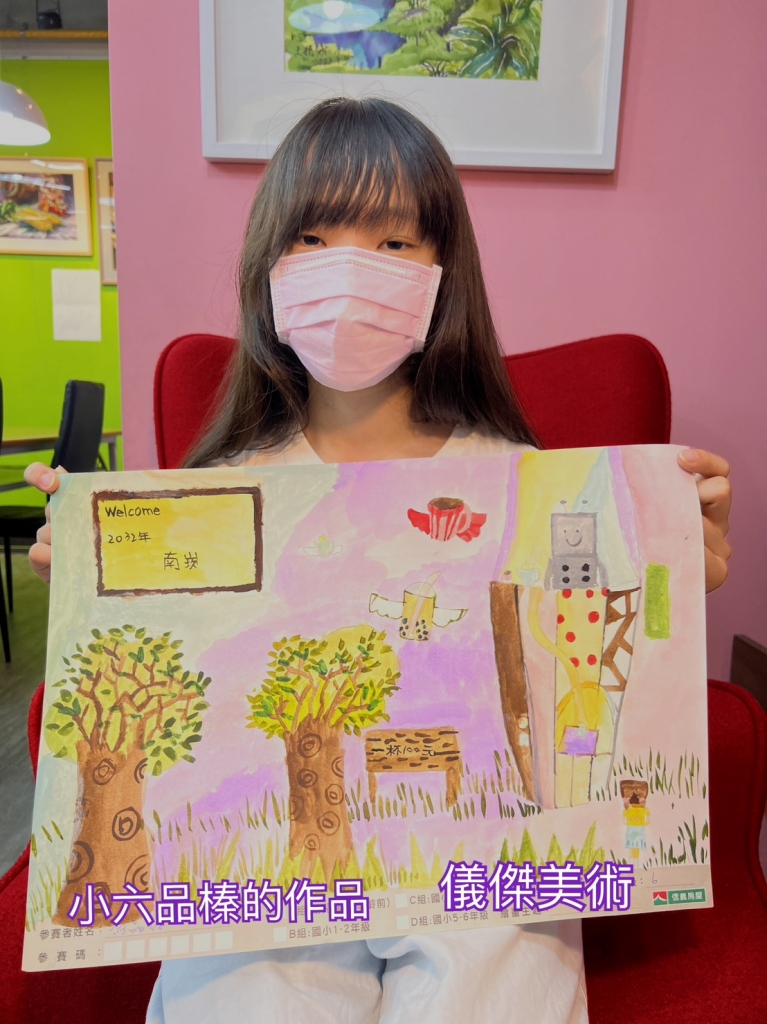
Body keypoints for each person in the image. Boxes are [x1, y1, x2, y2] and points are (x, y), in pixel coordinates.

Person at [24, 97, 732, 1024]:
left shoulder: (521, 481)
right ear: (268, 265)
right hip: (274, 868)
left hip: (476, 860)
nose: (350, 271)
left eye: (394, 242)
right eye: (312, 238)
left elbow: (580, 661)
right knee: (247, 998)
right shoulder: (217, 493)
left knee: (496, 986)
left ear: (443, 272)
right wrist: (87, 580)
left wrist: (675, 566)